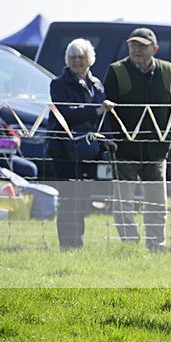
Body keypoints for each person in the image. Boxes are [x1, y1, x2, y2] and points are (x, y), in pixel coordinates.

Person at [103, 27, 171, 251]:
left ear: (154, 49)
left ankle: (157, 245)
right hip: (124, 151)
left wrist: (166, 140)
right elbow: (107, 111)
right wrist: (112, 141)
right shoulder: (116, 71)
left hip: (156, 152)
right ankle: (130, 243)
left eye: (142, 45)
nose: (136, 49)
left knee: (158, 203)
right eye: (133, 45)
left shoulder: (167, 71)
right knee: (123, 204)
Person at [47, 38, 116, 249]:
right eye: (73, 57)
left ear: (90, 59)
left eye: (81, 57)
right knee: (69, 200)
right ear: (67, 59)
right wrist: (96, 110)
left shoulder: (97, 85)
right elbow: (66, 113)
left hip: (90, 151)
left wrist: (108, 137)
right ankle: (67, 246)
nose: (77, 61)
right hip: (64, 152)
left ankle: (78, 245)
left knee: (83, 201)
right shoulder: (58, 84)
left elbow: (103, 118)